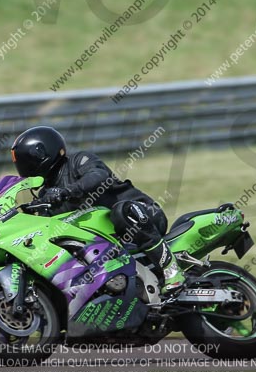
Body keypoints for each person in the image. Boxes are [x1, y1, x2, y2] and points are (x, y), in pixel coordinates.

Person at [10, 126, 186, 295]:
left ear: (41, 155)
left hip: (145, 217)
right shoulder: (46, 195)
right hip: (110, 245)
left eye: (25, 162)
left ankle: (171, 270)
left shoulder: (78, 161)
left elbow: (99, 176)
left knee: (120, 211)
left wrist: (67, 191)